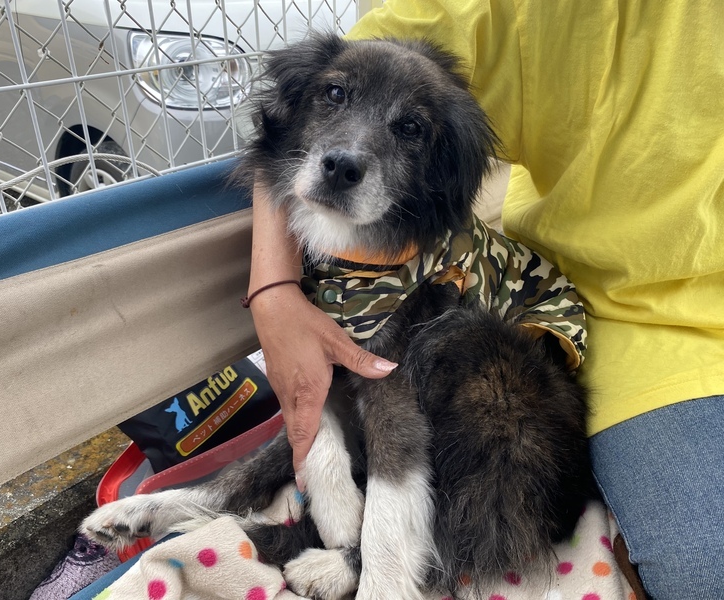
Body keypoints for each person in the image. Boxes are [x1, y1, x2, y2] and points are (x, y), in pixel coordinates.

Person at [245, 2, 724, 598]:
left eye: (408, 129)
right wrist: (271, 290)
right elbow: (292, 110)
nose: (352, 146)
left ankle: (380, 561)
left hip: (535, 352)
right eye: (337, 97)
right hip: (620, 330)